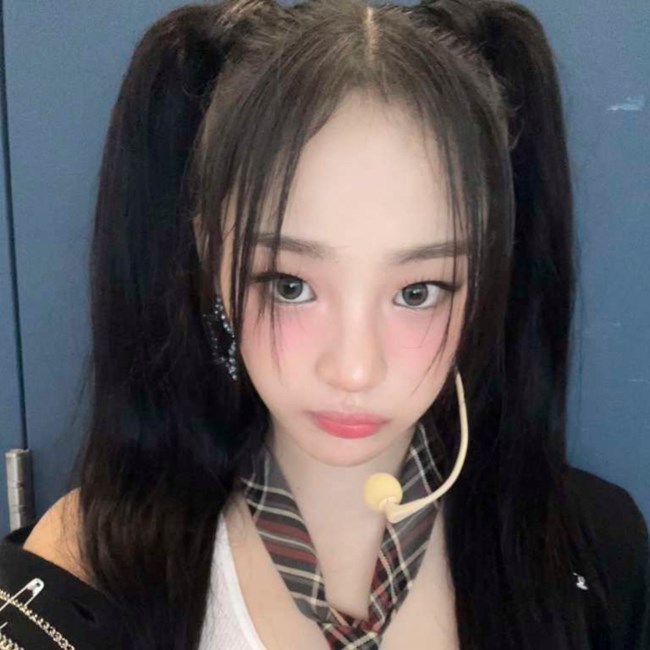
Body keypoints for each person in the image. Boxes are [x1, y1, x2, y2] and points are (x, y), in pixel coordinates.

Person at [0, 0, 647, 648]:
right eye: (291, 286)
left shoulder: (590, 553)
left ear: (482, 280)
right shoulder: (89, 564)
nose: (354, 368)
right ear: (211, 257)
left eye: (418, 291)